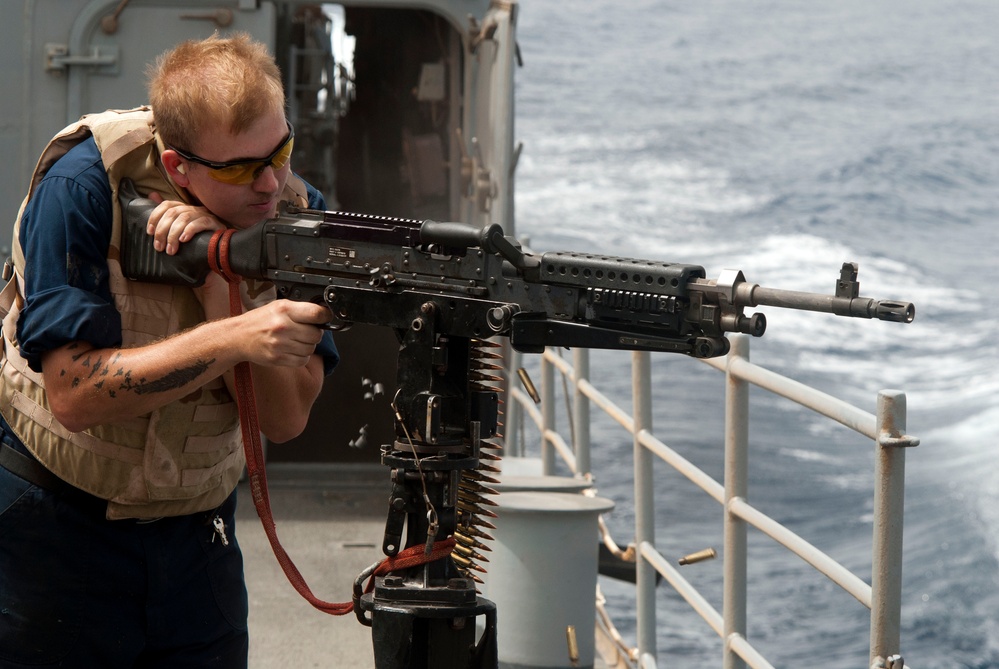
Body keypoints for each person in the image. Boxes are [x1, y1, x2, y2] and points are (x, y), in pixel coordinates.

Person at [0, 33, 337, 668]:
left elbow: (287, 421)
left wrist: (222, 285)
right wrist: (238, 336)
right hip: (56, 529)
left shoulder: (297, 215)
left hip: (196, 539)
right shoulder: (82, 188)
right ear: (179, 168)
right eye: (239, 168)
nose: (270, 184)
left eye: (281, 151)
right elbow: (72, 393)